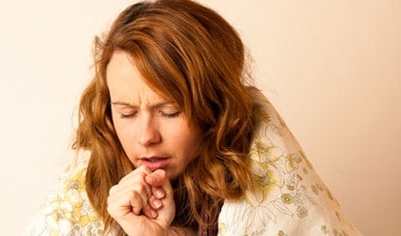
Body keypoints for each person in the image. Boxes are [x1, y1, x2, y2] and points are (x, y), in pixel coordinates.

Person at [24, 0, 362, 235]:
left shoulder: (267, 185)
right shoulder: (92, 184)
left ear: (214, 109)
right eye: (126, 112)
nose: (146, 136)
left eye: (169, 111)